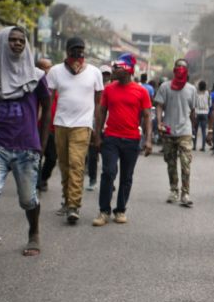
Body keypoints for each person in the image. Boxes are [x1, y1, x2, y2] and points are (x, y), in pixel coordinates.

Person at [0, 26, 50, 255]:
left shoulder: (36, 77)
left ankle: (34, 233)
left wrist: (43, 142)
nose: (17, 44)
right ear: (2, 43)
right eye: (12, 40)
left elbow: (47, 109)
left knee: (28, 199)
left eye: (21, 40)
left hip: (26, 146)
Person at [47, 37, 104, 223]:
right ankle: (66, 200)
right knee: (63, 165)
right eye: (74, 49)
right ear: (67, 51)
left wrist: (97, 127)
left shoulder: (95, 72)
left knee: (76, 165)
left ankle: (74, 206)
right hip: (61, 124)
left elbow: (98, 103)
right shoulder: (55, 71)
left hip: (82, 125)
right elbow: (48, 101)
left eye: (81, 49)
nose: (79, 53)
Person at [92, 54, 152, 226]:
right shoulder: (109, 89)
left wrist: (148, 140)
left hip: (132, 140)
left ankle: (120, 210)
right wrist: (97, 136)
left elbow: (147, 116)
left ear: (127, 70)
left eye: (117, 67)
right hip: (111, 138)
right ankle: (104, 211)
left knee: (126, 177)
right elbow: (102, 112)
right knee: (108, 173)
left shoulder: (141, 91)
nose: (113, 70)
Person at [155, 59, 196, 207]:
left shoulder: (191, 89)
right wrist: (159, 122)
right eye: (178, 66)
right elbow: (159, 106)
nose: (180, 69)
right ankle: (174, 190)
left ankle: (185, 193)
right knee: (171, 163)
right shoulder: (165, 87)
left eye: (183, 67)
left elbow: (193, 111)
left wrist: (194, 129)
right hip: (169, 131)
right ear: (173, 69)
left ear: (187, 71)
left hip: (185, 131)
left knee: (186, 164)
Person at [86, 65, 112, 192]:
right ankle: (92, 180)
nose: (105, 77)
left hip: (109, 128)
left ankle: (109, 181)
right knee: (92, 156)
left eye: (108, 74)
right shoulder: (93, 89)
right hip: (94, 125)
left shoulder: (113, 89)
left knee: (109, 158)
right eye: (103, 74)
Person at [35, 57, 57, 192]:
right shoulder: (34, 84)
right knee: (37, 157)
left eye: (49, 67)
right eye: (44, 67)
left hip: (53, 128)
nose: (47, 71)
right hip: (37, 127)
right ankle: (36, 182)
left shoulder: (56, 86)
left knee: (52, 158)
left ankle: (43, 178)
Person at [193, 80, 210, 151]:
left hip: (197, 113)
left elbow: (194, 103)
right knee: (203, 131)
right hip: (205, 113)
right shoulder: (207, 93)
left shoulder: (196, 93)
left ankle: (194, 146)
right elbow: (209, 102)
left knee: (195, 131)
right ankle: (203, 147)